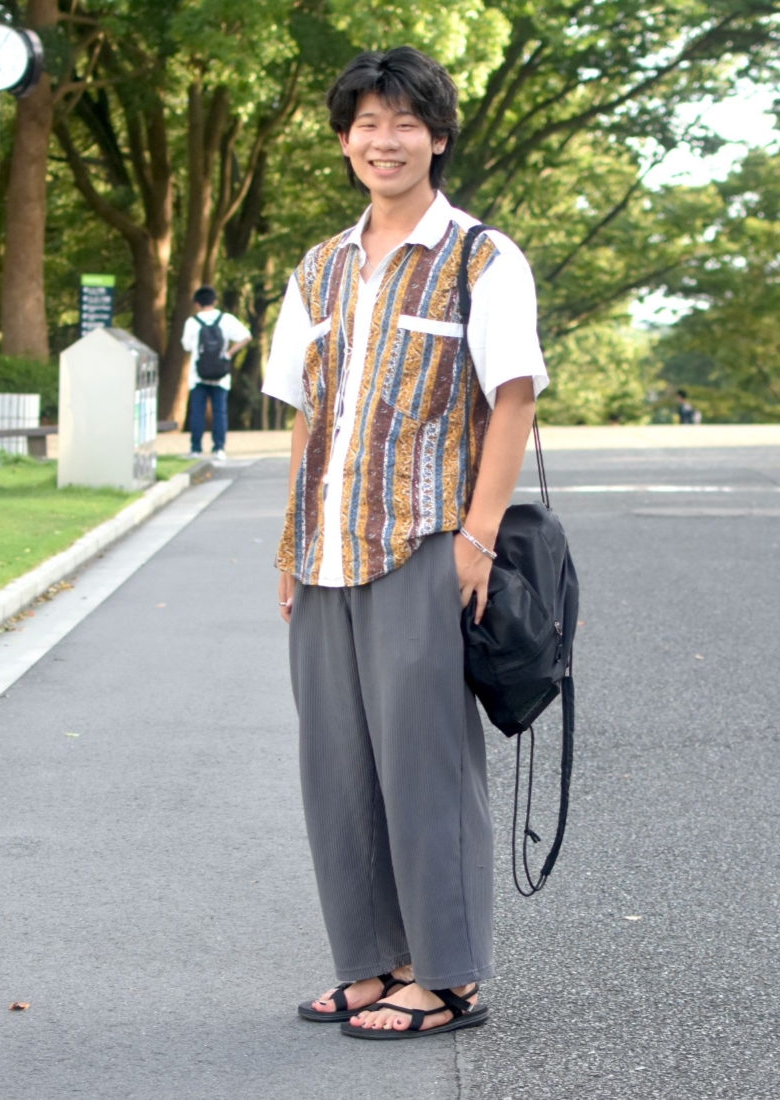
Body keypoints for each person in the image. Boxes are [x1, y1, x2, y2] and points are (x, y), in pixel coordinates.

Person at [262, 46, 548, 1039]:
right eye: (365, 125)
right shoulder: (320, 266)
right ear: (345, 140)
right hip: (325, 550)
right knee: (333, 763)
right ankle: (370, 961)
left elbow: (510, 401)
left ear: (435, 135)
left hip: (425, 540)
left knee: (424, 762)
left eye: (403, 124)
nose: (382, 142)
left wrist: (474, 537)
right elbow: (307, 412)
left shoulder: (480, 256)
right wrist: (288, 542)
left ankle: (448, 972)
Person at [180, 286, 251, 461]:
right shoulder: (226, 319)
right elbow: (246, 336)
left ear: (197, 303)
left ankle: (196, 448)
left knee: (197, 411)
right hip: (221, 374)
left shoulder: (192, 322)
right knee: (220, 412)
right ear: (215, 301)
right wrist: (228, 353)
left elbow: (186, 346)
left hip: (198, 375)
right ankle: (219, 448)